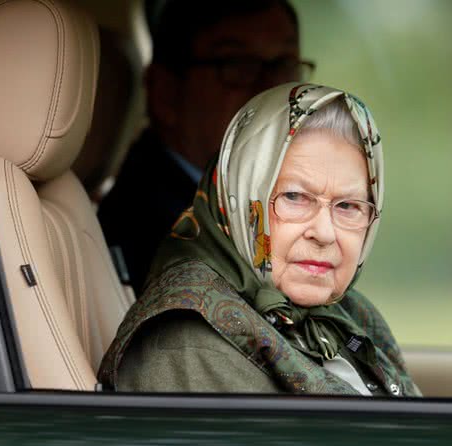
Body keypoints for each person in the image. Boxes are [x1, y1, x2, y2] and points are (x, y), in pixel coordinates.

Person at [98, 83, 421, 396]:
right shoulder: (189, 342)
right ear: (239, 199)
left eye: (348, 206)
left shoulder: (348, 312)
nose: (324, 233)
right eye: (294, 197)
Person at [98, 0, 313, 294]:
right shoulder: (162, 236)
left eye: (285, 64)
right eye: (237, 64)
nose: (273, 88)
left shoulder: (238, 207)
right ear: (166, 93)